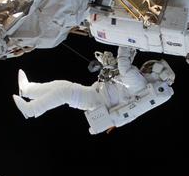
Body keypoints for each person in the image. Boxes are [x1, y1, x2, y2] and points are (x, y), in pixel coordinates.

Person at [13, 47, 175, 133]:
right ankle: (28, 90)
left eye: (151, 66)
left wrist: (126, 43)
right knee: (61, 85)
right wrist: (110, 63)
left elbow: (124, 68)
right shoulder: (140, 85)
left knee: (63, 93)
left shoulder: (139, 83)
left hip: (97, 101)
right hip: (96, 94)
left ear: (155, 72)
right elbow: (120, 71)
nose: (147, 66)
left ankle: (31, 110)